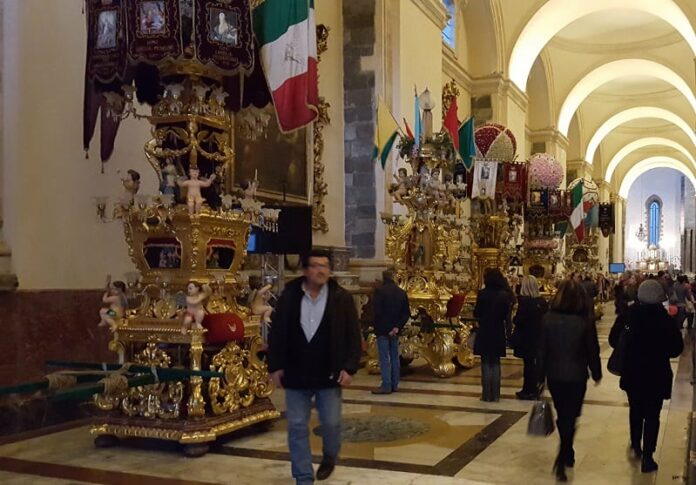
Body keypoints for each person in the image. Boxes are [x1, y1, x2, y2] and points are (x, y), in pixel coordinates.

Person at [268, 249, 361, 484]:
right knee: (297, 426)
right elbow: (278, 333)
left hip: (328, 374)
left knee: (331, 424)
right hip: (296, 373)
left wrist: (349, 367)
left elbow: (353, 335)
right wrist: (275, 366)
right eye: (315, 266)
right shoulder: (289, 296)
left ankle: (330, 455)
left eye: (324, 266)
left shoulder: (342, 298)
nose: (320, 270)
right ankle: (303, 476)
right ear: (305, 270)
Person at [609, 279, 683, 473]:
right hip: (657, 374)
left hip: (633, 372)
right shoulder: (665, 319)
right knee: (652, 415)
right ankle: (648, 456)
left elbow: (612, 340)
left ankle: (635, 443)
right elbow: (676, 349)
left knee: (635, 409)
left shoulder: (629, 316)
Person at [538, 279, 601, 482]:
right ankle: (564, 454)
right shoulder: (584, 321)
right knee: (571, 416)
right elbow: (593, 350)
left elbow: (541, 350)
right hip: (576, 375)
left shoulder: (547, 319)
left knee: (562, 413)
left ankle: (566, 451)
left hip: (554, 375)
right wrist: (597, 371)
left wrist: (539, 376)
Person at [473, 268, 511, 402]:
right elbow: (507, 314)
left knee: (485, 362)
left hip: (485, 330)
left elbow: (476, 312)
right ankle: (496, 394)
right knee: (495, 363)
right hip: (498, 330)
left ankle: (486, 394)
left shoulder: (482, 294)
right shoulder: (504, 295)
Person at [371, 270, 411, 395]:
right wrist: (396, 327)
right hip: (395, 330)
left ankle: (386, 385)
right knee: (394, 357)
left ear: (383, 279)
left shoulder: (380, 292)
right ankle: (395, 384)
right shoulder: (401, 293)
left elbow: (377, 312)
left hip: (382, 330)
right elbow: (406, 314)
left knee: (384, 358)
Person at [512, 275, 548, 400]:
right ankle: (536, 386)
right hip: (539, 335)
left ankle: (529, 389)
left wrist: (514, 319)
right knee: (535, 363)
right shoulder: (542, 302)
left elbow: (519, 320)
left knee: (528, 364)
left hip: (526, 336)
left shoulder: (525, 302)